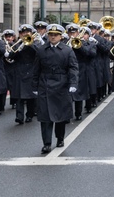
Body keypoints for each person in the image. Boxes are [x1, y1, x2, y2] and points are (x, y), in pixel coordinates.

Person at [32, 23, 79, 153]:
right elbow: (36, 69)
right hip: (45, 84)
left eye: (55, 35)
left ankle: (60, 138)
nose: (53, 37)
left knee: (60, 115)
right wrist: (35, 85)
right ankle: (46, 143)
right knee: (45, 117)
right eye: (51, 35)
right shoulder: (41, 50)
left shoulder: (67, 50)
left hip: (61, 85)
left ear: (61, 36)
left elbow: (73, 68)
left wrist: (73, 84)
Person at [7, 25, 38, 124]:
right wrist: (19, 49)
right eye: (23, 33)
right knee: (19, 96)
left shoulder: (35, 42)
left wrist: (30, 44)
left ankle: (29, 115)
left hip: (31, 71)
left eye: (27, 32)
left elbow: (39, 53)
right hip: (19, 72)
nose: (25, 34)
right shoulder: (17, 44)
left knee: (30, 96)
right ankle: (19, 117)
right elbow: (10, 57)